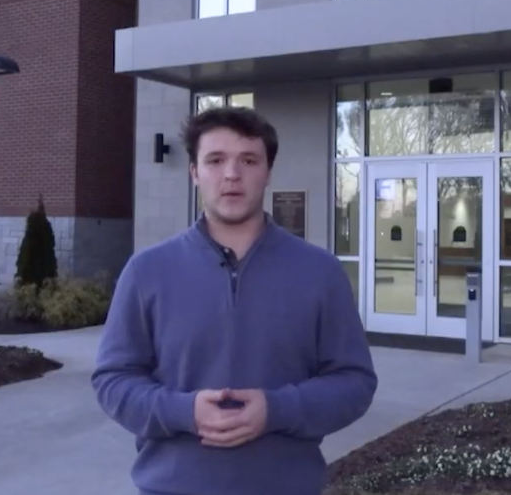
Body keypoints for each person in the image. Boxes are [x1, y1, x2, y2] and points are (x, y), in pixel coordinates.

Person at [91, 106, 378, 495]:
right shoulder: (146, 272)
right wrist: (184, 411)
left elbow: (354, 382)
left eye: (248, 160)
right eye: (215, 160)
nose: (231, 174)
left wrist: (276, 410)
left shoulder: (320, 273)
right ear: (194, 172)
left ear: (268, 171)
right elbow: (113, 379)